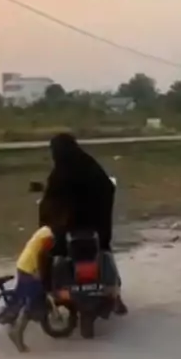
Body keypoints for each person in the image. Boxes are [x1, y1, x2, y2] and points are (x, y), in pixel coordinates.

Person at [40, 132, 128, 315]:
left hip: (68, 231)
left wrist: (50, 219)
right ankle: (115, 294)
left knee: (48, 251)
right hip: (97, 229)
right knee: (104, 253)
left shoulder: (59, 174)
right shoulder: (89, 164)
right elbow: (107, 188)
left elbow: (49, 202)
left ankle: (45, 293)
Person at [0, 214, 61, 351]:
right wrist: (38, 272)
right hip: (29, 269)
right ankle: (16, 332)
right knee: (33, 300)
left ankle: (10, 316)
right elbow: (41, 255)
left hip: (23, 264)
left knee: (20, 296)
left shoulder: (44, 230)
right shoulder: (48, 236)